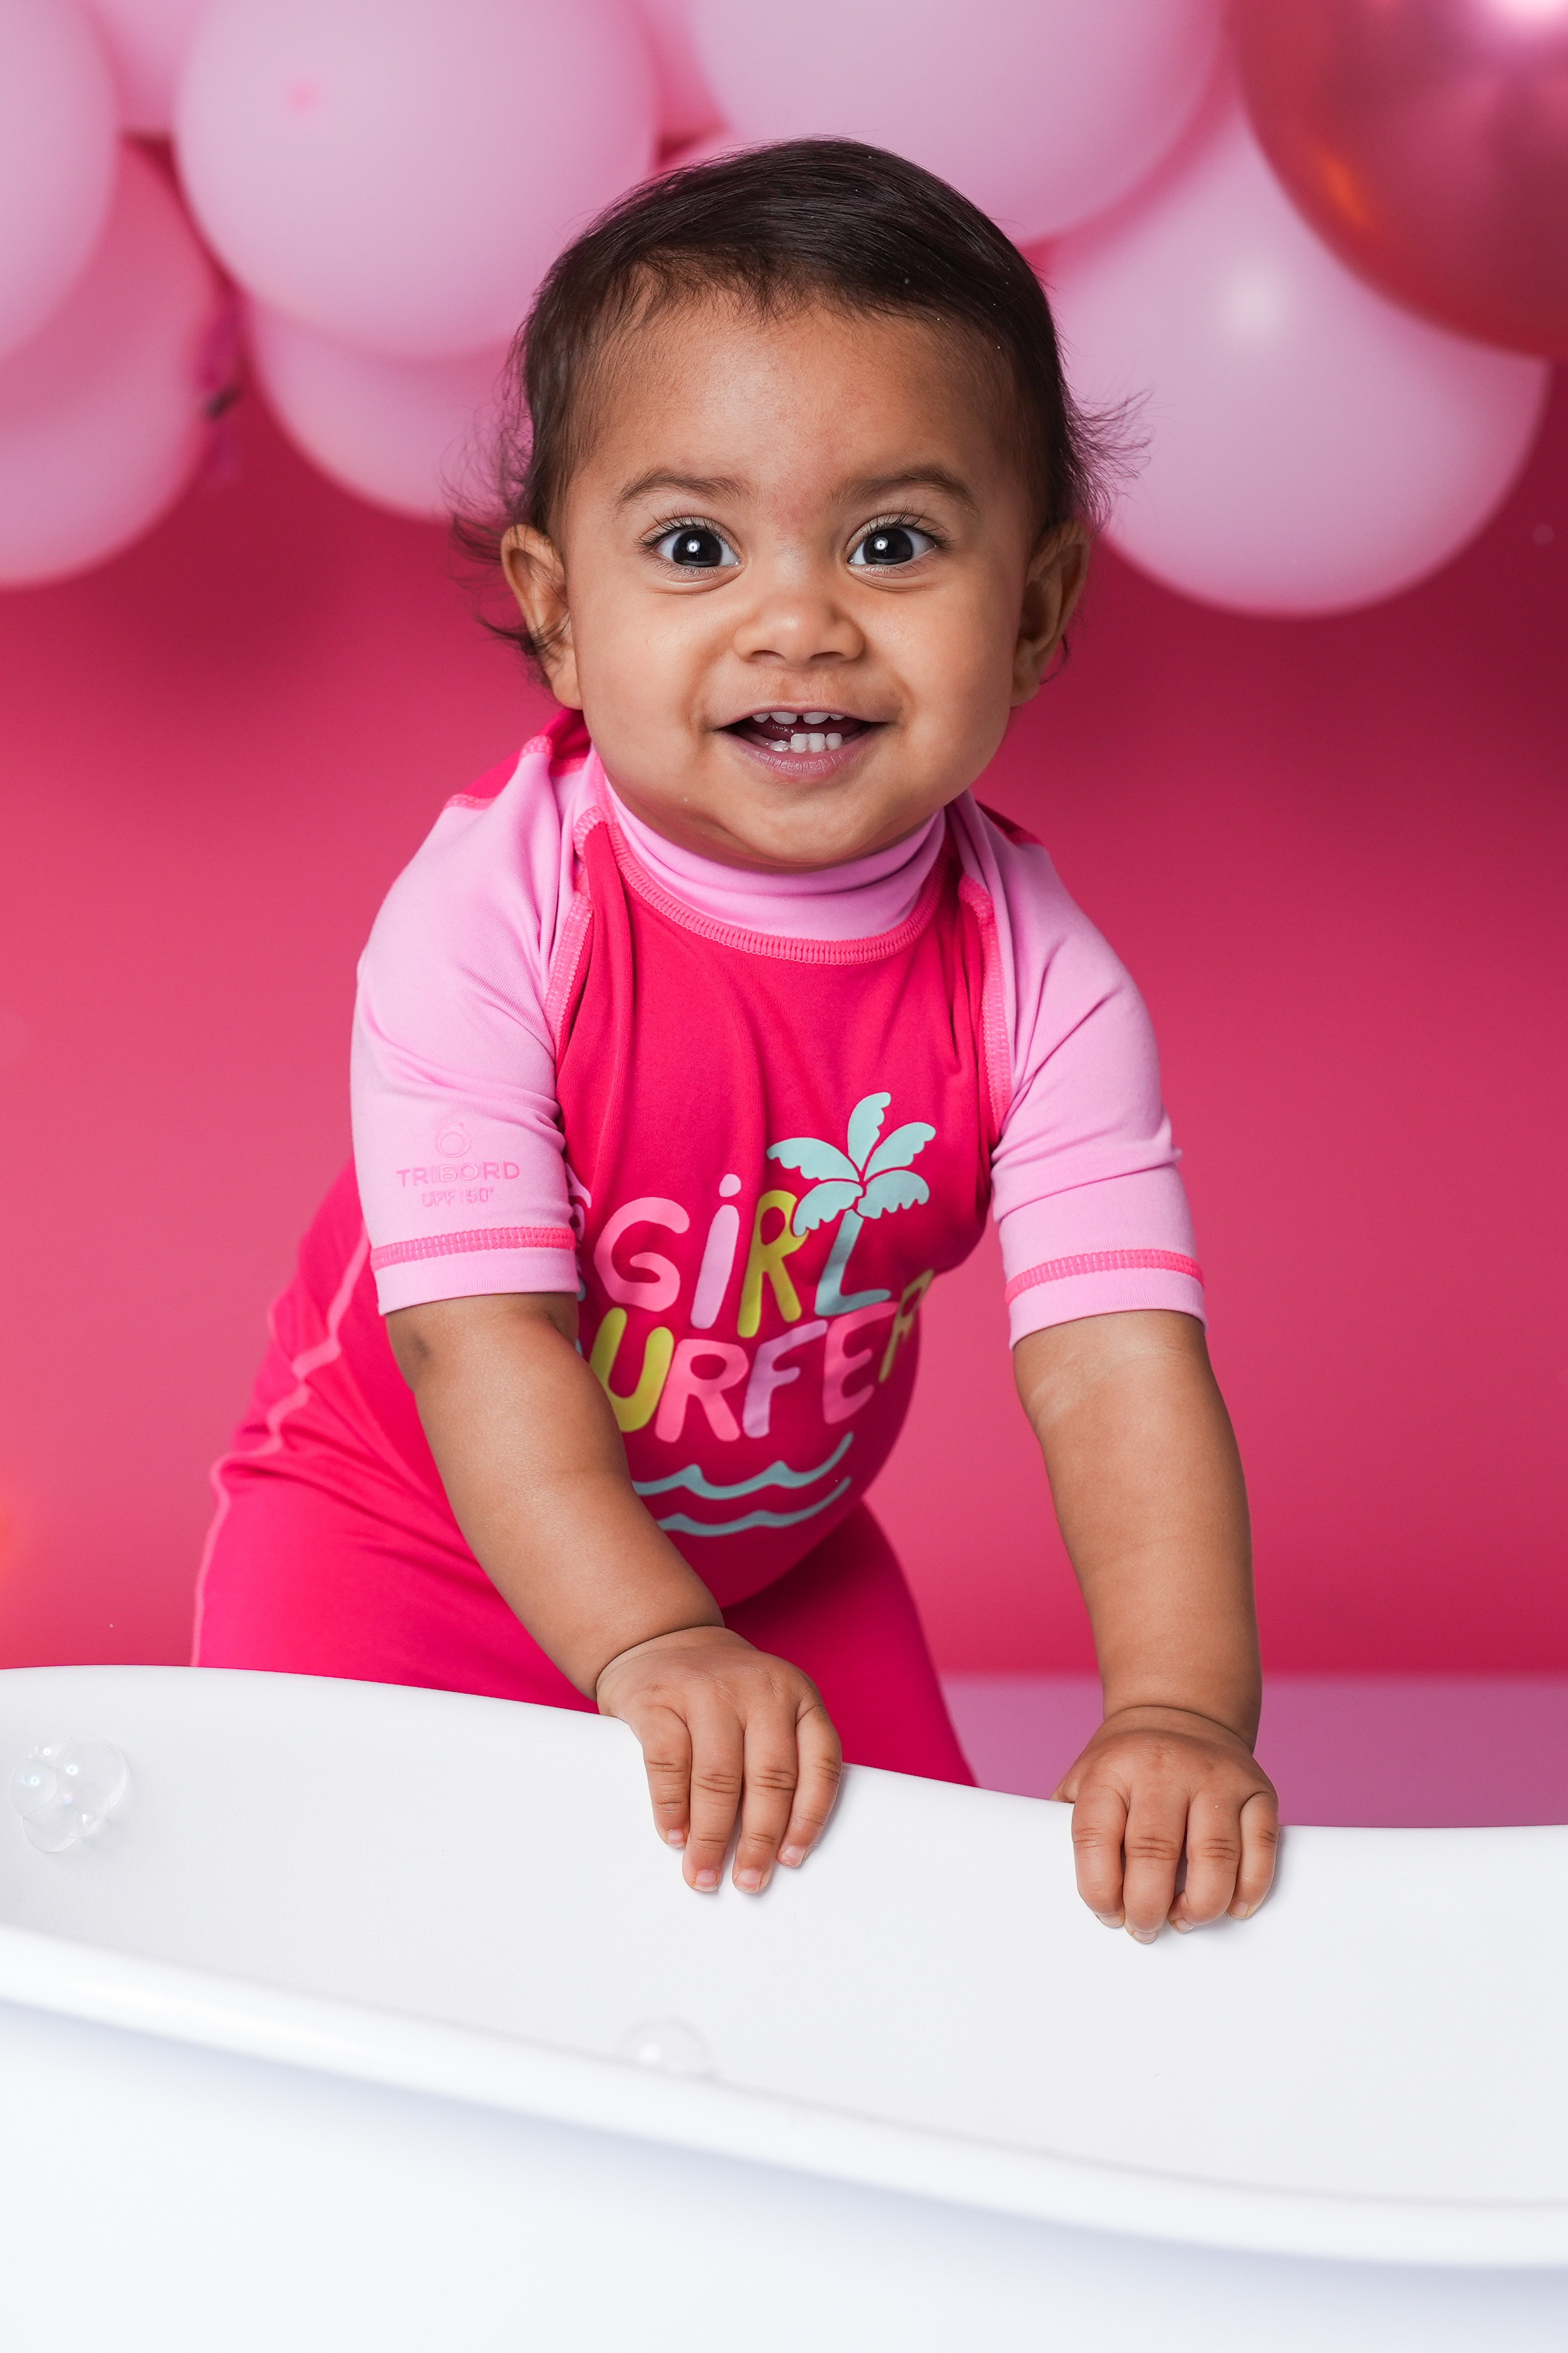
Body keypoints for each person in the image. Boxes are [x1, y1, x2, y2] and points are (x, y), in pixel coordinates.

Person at [195, 140, 1278, 1942]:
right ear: (558, 611)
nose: (801, 617)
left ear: (1037, 606)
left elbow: (1114, 1367)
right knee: (334, 1945)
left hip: (774, 1569)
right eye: (695, 545)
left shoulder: (1041, 974)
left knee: (921, 1960)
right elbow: (486, 1344)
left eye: (895, 541)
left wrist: (1177, 1710)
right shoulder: (495, 913)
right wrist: (647, 1641)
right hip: (403, 1544)